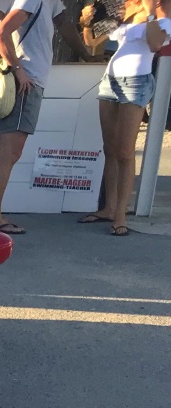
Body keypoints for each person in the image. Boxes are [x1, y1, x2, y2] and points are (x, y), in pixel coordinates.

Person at [0, 0, 96, 234]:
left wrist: (86, 55)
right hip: (26, 84)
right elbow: (1, 33)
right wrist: (18, 70)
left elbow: (64, 24)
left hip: (30, 82)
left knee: (6, 152)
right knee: (8, 152)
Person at [76, 0, 170, 235]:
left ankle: (120, 214)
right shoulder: (123, 9)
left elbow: (155, 43)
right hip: (111, 80)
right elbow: (92, 42)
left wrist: (149, 13)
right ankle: (108, 208)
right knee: (110, 148)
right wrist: (86, 23)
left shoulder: (162, 11)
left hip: (137, 82)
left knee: (125, 152)